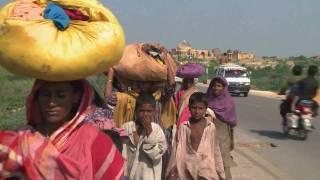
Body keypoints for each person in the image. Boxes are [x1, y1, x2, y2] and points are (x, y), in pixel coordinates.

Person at [0, 79, 124, 179]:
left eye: (61, 96)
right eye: (45, 95)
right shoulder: (20, 140)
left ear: (75, 97)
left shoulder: (95, 140)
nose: (52, 102)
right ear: (36, 96)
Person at [166, 92, 225, 180]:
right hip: (188, 168)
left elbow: (215, 150)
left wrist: (221, 172)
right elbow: (177, 149)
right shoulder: (184, 127)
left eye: (200, 108)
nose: (197, 111)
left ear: (205, 109)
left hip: (206, 169)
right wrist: (171, 170)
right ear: (189, 108)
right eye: (194, 108)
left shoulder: (210, 127)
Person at [121, 93, 167, 180]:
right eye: (141, 110)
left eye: (149, 111)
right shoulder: (126, 128)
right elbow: (121, 153)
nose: (145, 114)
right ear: (136, 110)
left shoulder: (157, 130)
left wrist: (149, 130)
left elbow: (156, 155)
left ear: (154, 111)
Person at [207, 77, 237, 180]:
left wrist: (232, 141)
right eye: (214, 85)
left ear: (224, 88)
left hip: (223, 138)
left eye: (219, 86)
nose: (216, 88)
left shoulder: (229, 103)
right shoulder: (207, 100)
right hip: (208, 138)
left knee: (224, 163)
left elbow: (231, 124)